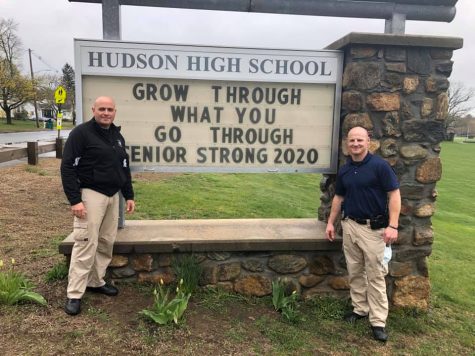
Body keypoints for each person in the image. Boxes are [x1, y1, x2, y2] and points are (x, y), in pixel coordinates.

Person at [60, 96, 135, 316]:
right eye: (101, 108)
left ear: (115, 111)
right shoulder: (81, 133)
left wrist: (128, 195)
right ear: (93, 110)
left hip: (113, 197)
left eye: (110, 109)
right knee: (85, 242)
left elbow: (124, 167)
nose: (106, 112)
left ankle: (96, 280)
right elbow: (67, 168)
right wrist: (74, 200)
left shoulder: (116, 136)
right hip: (91, 195)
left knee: (105, 241)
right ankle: (74, 293)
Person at [325, 126, 401, 342]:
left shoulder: (380, 167)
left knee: (376, 275)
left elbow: (394, 195)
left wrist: (393, 225)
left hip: (373, 229)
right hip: (350, 226)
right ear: (347, 144)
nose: (355, 144)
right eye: (351, 141)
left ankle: (378, 321)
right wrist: (331, 223)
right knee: (355, 270)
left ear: (369, 141)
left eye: (359, 140)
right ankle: (360, 309)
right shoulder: (346, 169)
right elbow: (339, 198)